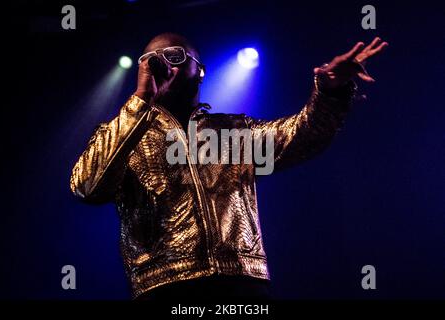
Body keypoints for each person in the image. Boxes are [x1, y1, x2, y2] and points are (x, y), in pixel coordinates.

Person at [70, 33, 388, 299]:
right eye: (153, 59)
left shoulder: (233, 131)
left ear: (201, 70)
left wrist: (330, 91)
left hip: (241, 283)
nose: (164, 64)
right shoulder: (122, 135)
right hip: (163, 284)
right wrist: (140, 101)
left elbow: (302, 136)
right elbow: (86, 186)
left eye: (175, 55)